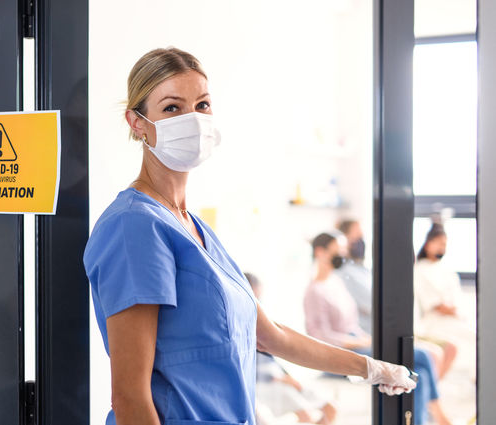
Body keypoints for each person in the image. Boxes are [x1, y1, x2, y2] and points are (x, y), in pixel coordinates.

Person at [83, 47, 416, 425]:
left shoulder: (192, 227)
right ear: (137, 122)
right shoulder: (134, 227)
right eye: (172, 108)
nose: (192, 120)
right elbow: (129, 396)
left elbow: (272, 336)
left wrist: (371, 368)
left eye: (202, 105)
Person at [305, 232, 451, 425]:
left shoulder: (336, 283)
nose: (342, 255)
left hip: (358, 344)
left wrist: (368, 338)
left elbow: (352, 325)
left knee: (421, 375)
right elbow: (321, 337)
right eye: (336, 251)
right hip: (340, 354)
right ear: (320, 252)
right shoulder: (314, 291)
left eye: (342, 250)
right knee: (423, 356)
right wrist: (362, 341)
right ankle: (439, 415)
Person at [246, 273, 337, 425]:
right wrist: (278, 379)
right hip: (263, 383)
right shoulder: (241, 326)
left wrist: (288, 377)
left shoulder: (262, 324)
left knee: (330, 407)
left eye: (259, 298)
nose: (258, 304)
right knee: (305, 415)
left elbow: (271, 357)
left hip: (278, 377)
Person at [414, 222, 474, 378]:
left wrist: (455, 311)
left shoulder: (448, 272)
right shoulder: (420, 270)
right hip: (433, 323)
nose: (442, 248)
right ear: (428, 245)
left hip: (453, 320)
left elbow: (457, 301)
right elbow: (434, 305)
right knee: (470, 340)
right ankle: (434, 389)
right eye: (439, 243)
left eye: (445, 244)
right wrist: (451, 310)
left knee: (477, 336)